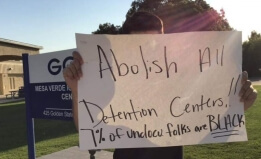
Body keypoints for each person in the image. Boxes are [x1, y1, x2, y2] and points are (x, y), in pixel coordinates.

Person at [63, 11, 257, 159]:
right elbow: (88, 132)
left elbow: (203, 121)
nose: (147, 52)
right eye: (140, 44)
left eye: (154, 43)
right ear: (123, 44)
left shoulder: (179, 80)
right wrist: (77, 91)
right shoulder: (109, 82)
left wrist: (238, 105)